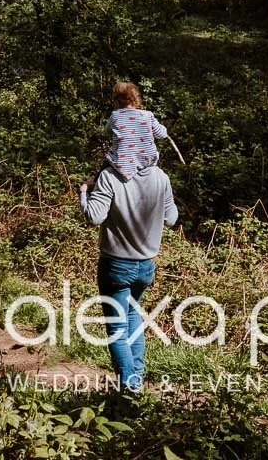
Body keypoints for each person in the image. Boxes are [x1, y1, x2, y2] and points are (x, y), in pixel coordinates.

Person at [80, 158, 179, 392]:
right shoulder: (161, 177)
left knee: (117, 328)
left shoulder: (109, 176)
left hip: (116, 265)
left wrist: (85, 192)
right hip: (145, 266)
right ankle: (137, 382)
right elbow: (172, 219)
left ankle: (129, 388)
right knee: (134, 321)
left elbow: (94, 217)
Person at [102, 81, 169, 181]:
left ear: (117, 101)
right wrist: (163, 127)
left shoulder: (115, 116)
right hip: (147, 161)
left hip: (122, 163)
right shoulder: (147, 115)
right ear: (136, 99)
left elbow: (106, 131)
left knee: (105, 165)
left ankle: (91, 184)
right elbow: (162, 134)